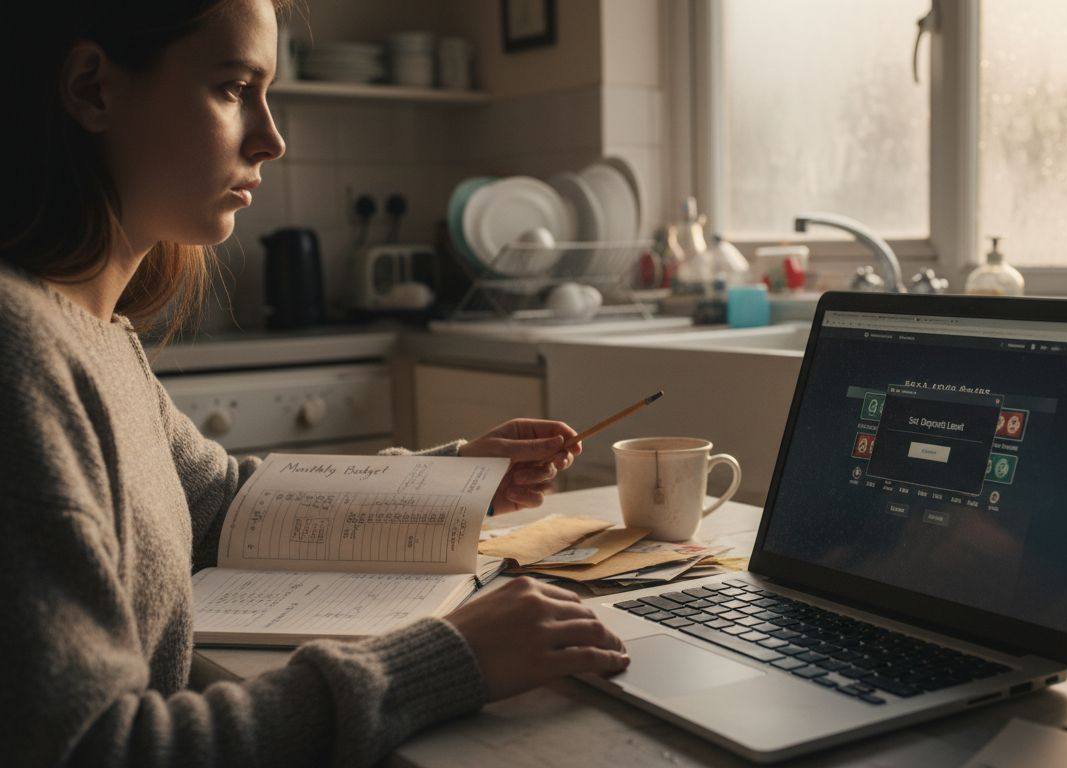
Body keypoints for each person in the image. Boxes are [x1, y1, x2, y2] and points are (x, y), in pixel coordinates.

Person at [0, 1, 628, 766]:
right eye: (234, 88)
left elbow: (228, 506)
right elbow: (95, 750)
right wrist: (443, 658)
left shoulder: (92, 333)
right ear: (94, 89)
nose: (272, 138)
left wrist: (458, 478)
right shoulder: (20, 354)